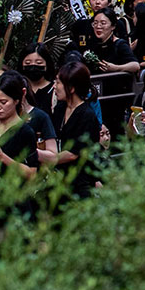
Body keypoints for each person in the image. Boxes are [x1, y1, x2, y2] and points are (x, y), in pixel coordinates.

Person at [49, 62, 102, 198]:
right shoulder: (60, 108)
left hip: (81, 183)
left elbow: (74, 154)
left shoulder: (87, 115)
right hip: (60, 178)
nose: (54, 86)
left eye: (58, 82)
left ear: (71, 88)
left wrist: (46, 158)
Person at [0, 71, 39, 180]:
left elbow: (32, 174)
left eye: (3, 102)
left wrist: (2, 157)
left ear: (16, 101)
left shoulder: (25, 132)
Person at [18, 42, 56, 114]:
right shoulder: (17, 87)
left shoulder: (54, 89)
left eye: (39, 63)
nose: (33, 66)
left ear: (47, 64)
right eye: (28, 63)